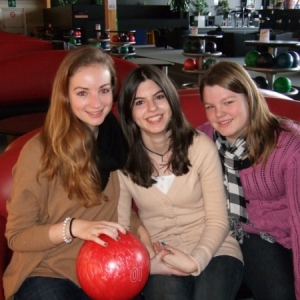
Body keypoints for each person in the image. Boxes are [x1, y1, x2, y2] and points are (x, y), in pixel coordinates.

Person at [3, 46, 143, 300]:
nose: (95, 103)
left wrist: (141, 230)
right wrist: (73, 228)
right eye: (82, 93)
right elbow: (17, 236)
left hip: (105, 268)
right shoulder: (40, 152)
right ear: (65, 96)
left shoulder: (118, 142)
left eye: (103, 90)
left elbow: (116, 209)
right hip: (47, 268)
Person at [117, 65, 243, 300]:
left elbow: (218, 220)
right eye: (139, 102)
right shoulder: (124, 162)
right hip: (161, 255)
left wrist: (194, 261)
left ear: (171, 101)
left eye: (159, 97)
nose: (152, 108)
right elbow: (123, 229)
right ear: (129, 113)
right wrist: (149, 264)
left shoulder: (200, 146)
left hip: (216, 249)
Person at [198, 61, 300, 300]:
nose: (219, 114)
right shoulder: (203, 139)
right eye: (210, 106)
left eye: (228, 102)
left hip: (282, 236)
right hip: (234, 235)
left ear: (249, 98)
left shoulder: (289, 146)